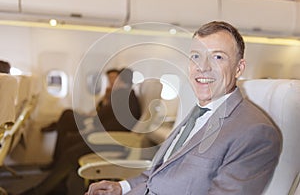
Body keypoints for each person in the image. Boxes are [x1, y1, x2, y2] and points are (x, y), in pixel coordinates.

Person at [84, 21, 282, 195]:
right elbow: (157, 174)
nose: (202, 67)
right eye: (196, 56)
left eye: (218, 57)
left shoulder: (256, 132)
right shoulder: (198, 113)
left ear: (239, 68)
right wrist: (121, 188)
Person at [21, 68, 141, 195]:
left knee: (71, 153)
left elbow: (104, 120)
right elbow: (104, 118)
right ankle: (60, 183)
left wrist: (90, 130)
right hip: (106, 137)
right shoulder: (126, 95)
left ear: (120, 79)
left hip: (112, 140)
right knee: (69, 141)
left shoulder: (122, 95)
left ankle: (39, 191)